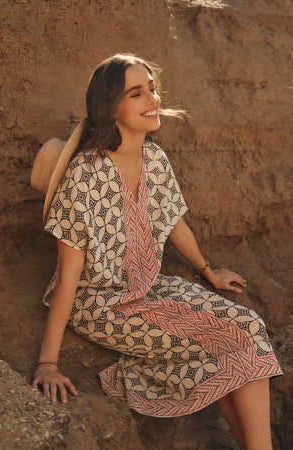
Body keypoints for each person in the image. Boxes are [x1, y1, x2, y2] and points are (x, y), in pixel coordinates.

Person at [31, 54, 282, 450]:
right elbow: (68, 276)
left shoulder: (154, 158)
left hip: (147, 287)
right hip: (99, 302)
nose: (153, 99)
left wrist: (207, 270)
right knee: (221, 340)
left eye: (152, 88)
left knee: (249, 324)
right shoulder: (84, 176)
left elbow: (175, 221)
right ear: (112, 108)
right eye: (137, 93)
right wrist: (48, 363)